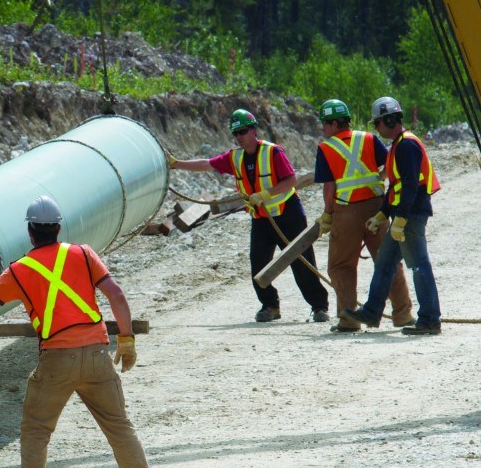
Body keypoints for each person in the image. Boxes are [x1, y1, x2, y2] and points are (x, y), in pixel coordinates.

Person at [0, 195, 158, 468]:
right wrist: (127, 340)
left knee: (36, 429)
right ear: (58, 229)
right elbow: (116, 295)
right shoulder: (83, 254)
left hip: (57, 360)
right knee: (119, 427)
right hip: (98, 356)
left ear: (30, 232)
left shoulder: (19, 270)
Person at [170, 109, 330, 323]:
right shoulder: (234, 158)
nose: (239, 137)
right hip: (261, 219)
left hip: (288, 214)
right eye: (236, 133)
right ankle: (270, 306)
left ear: (254, 130)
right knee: (258, 264)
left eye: (243, 131)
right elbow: (207, 164)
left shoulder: (273, 152)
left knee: (301, 261)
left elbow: (291, 180)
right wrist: (177, 164)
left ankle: (319, 307)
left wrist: (266, 194)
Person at [340, 96, 442, 335]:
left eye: (377, 124)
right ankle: (372, 311)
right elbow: (395, 187)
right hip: (402, 214)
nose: (376, 128)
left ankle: (429, 319)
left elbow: (410, 186)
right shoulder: (398, 144)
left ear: (387, 120)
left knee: (418, 265)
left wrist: (401, 219)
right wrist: (382, 215)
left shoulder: (406, 145)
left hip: (411, 214)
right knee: (385, 263)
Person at [313, 99, 414, 333]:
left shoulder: (326, 148)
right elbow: (390, 163)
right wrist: (378, 179)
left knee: (341, 266)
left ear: (335, 123)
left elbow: (330, 188)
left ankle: (349, 319)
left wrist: (328, 214)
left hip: (345, 212)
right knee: (387, 262)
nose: (323, 128)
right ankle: (403, 314)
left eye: (325, 123)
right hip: (377, 209)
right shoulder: (368, 138)